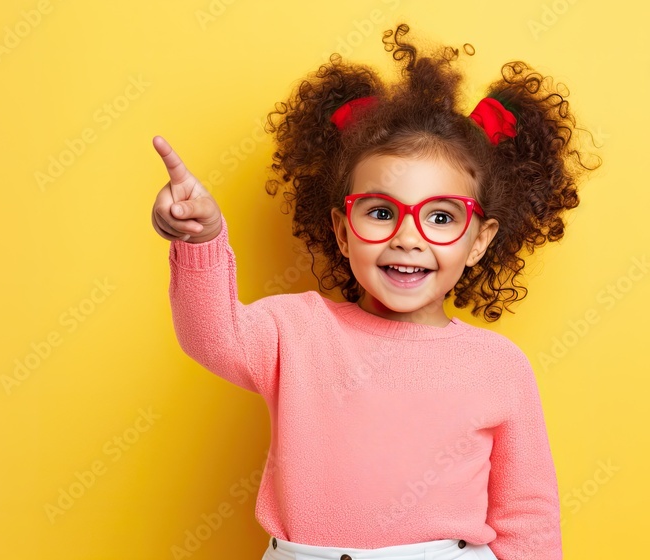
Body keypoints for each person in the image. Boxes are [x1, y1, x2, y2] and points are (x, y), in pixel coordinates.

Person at [149, 23, 599, 560]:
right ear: (343, 231)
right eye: (382, 212)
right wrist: (202, 239)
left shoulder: (498, 364)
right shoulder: (296, 330)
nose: (408, 238)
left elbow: (526, 517)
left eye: (440, 216)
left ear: (479, 242)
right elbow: (211, 335)